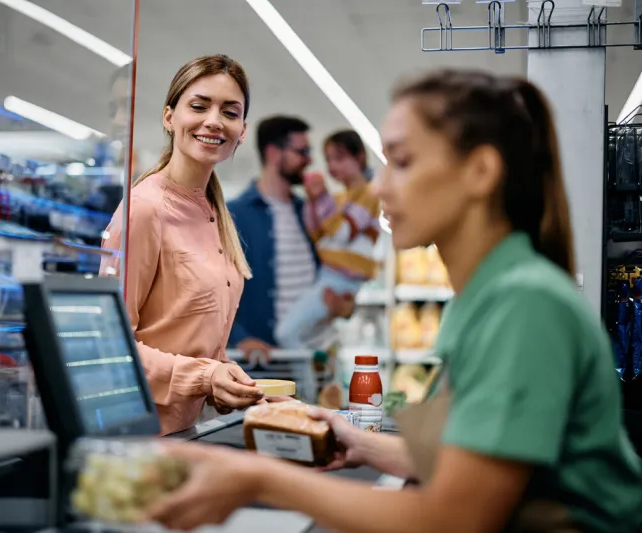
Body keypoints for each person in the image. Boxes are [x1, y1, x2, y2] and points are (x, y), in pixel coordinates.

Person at [146, 69, 642, 532]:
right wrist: (359, 441)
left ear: (480, 171)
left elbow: (453, 516)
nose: (380, 186)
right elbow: (474, 456)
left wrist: (258, 480)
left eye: (401, 162)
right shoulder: (494, 293)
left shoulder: (523, 305)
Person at [100, 55, 264, 436]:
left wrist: (228, 384)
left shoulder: (214, 212)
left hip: (186, 436)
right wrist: (206, 376)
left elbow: (189, 338)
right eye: (199, 106)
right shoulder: (144, 209)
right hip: (137, 439)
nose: (213, 121)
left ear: (241, 130)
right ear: (169, 117)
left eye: (229, 111)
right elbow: (109, 347)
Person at [227, 116, 354, 357]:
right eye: (302, 151)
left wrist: (345, 306)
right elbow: (211, 292)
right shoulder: (234, 215)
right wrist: (238, 338)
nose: (309, 160)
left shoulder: (307, 211)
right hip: (265, 366)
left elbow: (336, 270)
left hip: (316, 358)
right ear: (274, 153)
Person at [275, 130, 381, 349]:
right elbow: (317, 234)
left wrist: (322, 199)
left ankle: (306, 379)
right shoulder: (340, 198)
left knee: (287, 333)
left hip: (340, 279)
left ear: (359, 156)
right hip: (330, 277)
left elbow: (342, 233)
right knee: (302, 335)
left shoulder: (369, 195)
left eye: (340, 158)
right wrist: (314, 202)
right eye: (329, 160)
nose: (332, 166)